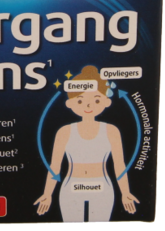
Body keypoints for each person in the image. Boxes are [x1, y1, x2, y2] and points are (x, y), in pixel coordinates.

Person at [35, 66, 139, 222]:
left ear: (106, 101)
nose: (88, 106)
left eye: (96, 100)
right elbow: (54, 167)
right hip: (71, 186)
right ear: (70, 103)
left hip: (102, 186)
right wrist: (47, 194)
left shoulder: (111, 131)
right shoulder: (64, 132)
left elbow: (119, 165)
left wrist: (125, 192)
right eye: (80, 100)